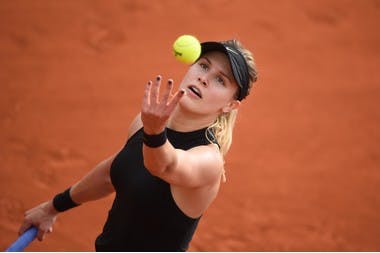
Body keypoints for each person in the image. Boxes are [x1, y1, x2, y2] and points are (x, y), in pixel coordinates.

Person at [18, 39, 258, 251]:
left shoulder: (208, 160)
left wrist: (154, 131)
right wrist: (53, 208)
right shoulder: (146, 123)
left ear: (230, 106)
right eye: (203, 66)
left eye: (220, 80)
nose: (203, 78)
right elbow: (114, 171)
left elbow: (165, 166)